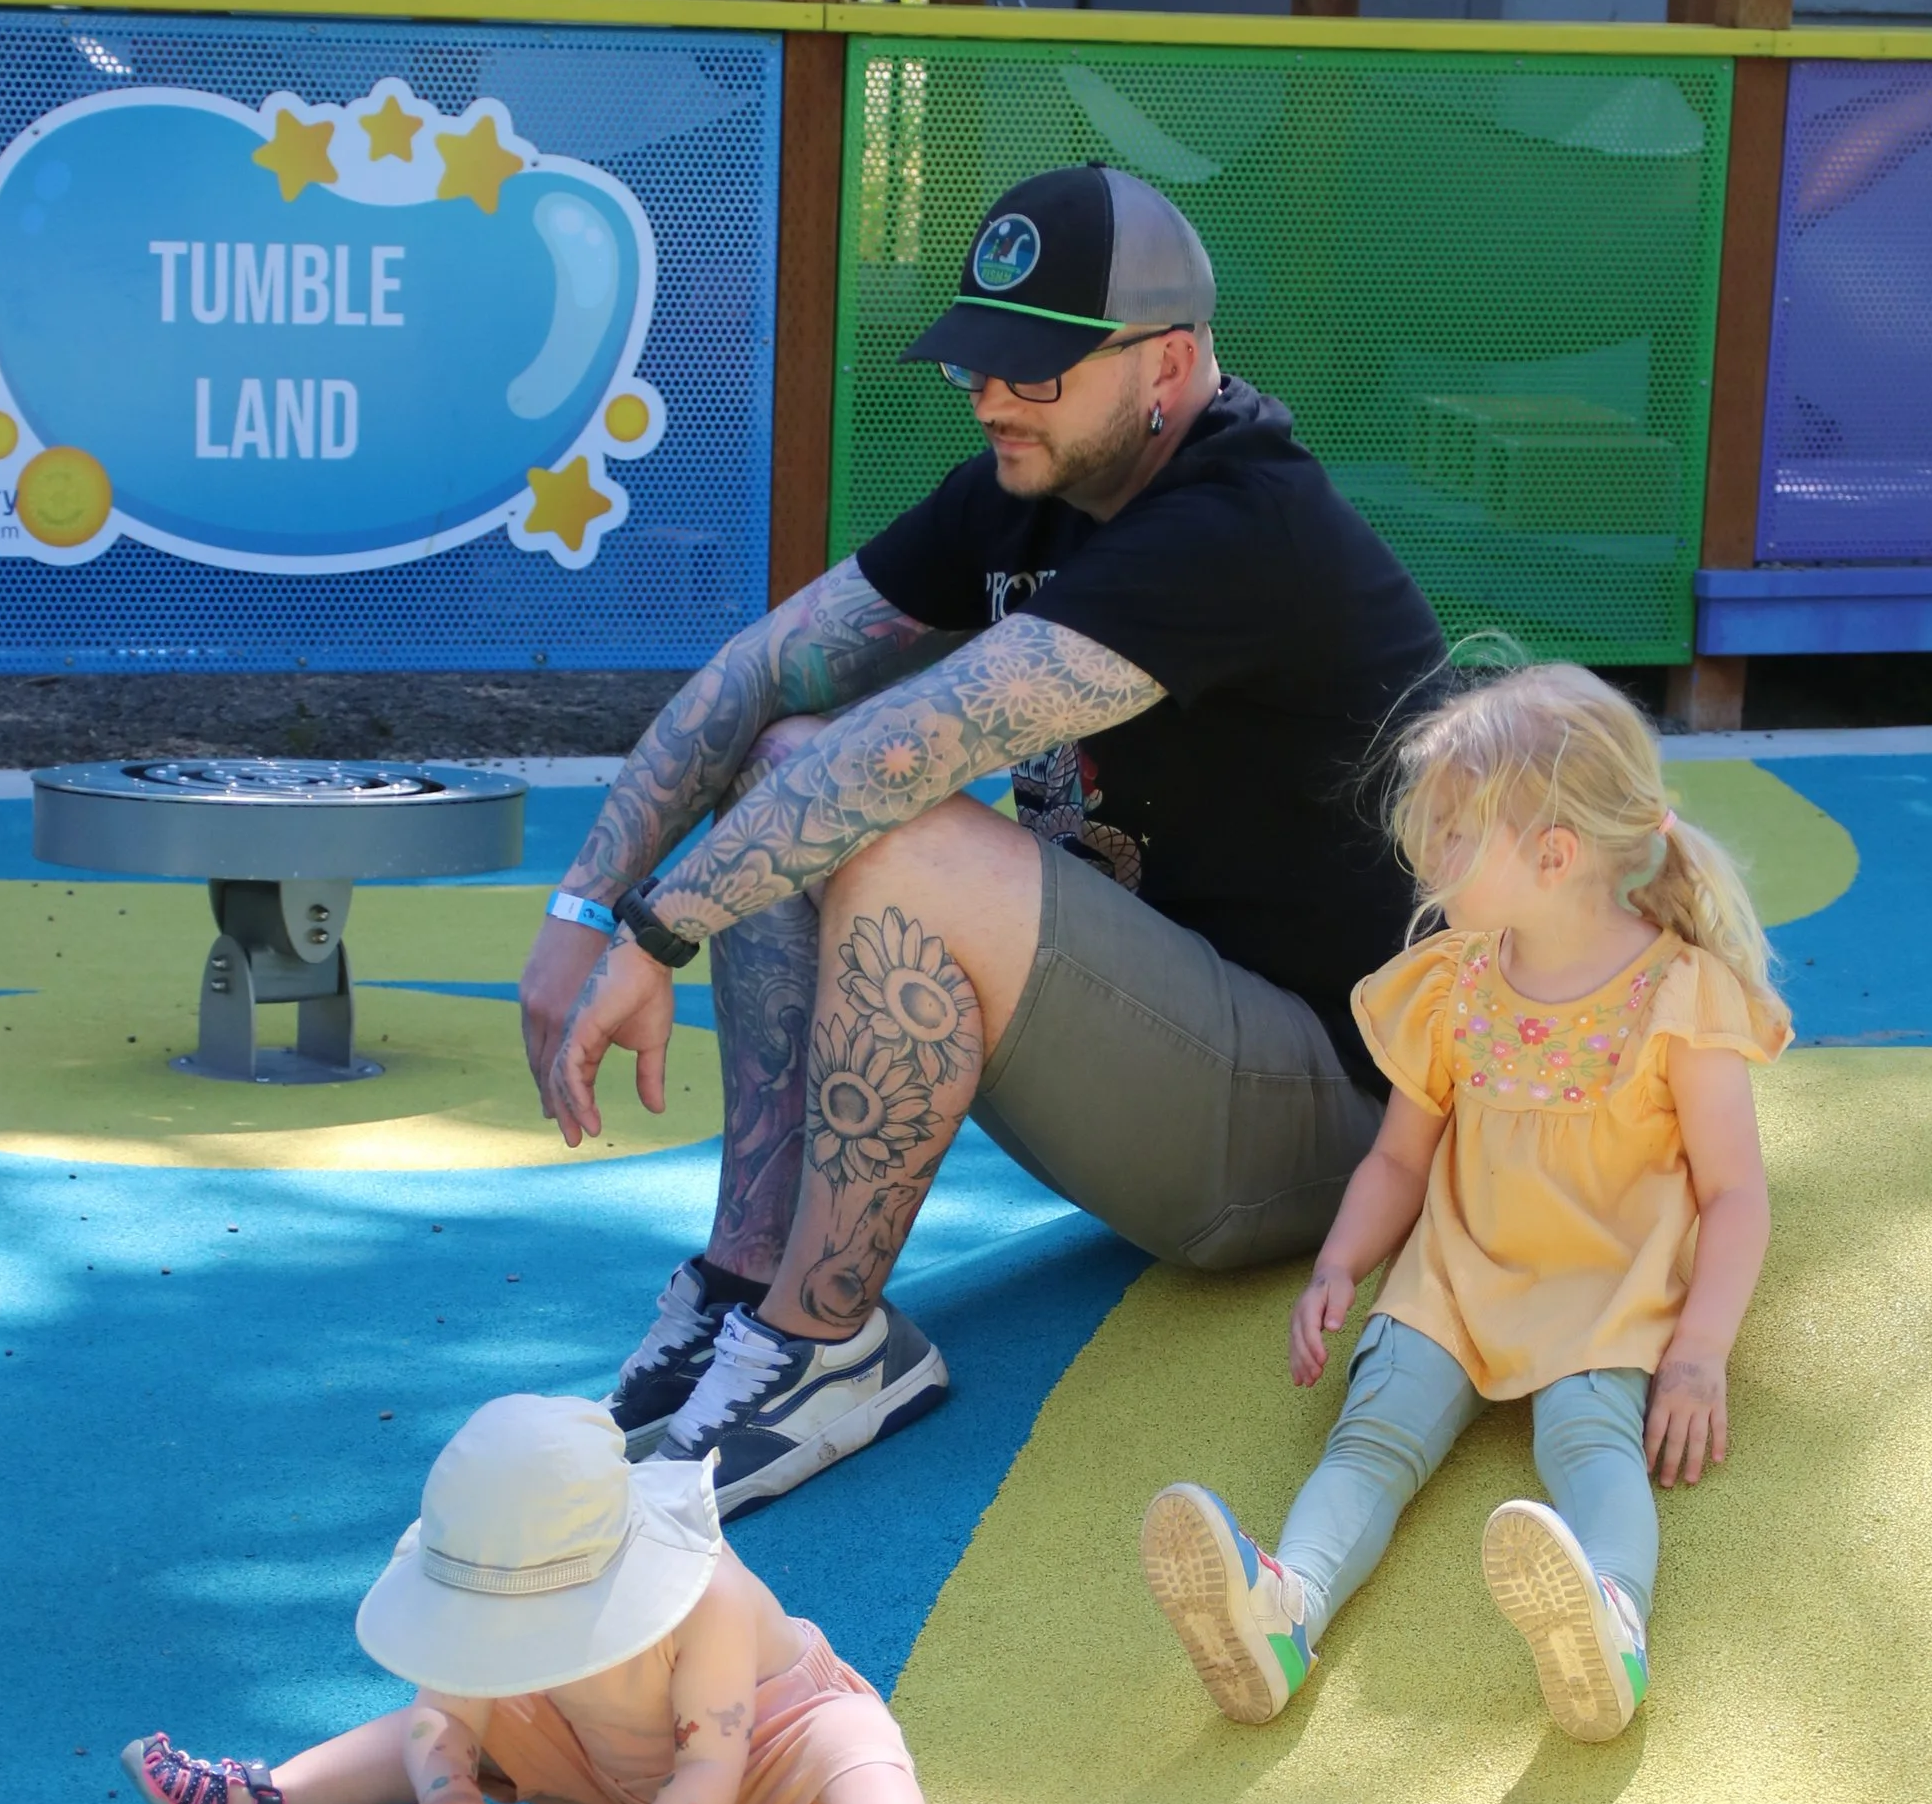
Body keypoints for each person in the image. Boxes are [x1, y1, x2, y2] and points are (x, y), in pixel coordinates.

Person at [518, 161, 1446, 1516]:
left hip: (1335, 1131)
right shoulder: (1026, 489)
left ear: (1167, 363)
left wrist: (656, 936)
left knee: (891, 830)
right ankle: (748, 1282)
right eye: (977, 363)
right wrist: (581, 907)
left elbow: (900, 752)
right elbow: (759, 678)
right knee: (782, 759)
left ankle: (830, 1347)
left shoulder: (1242, 524)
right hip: (1163, 1053)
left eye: (1036, 370)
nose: (992, 396)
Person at [1139, 667, 1788, 1747]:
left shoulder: (1677, 998)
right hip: (1455, 1271)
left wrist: (1699, 1353)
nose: (1424, 856)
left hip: (1603, 1285)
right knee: (1371, 1435)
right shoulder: (1453, 985)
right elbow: (1400, 1158)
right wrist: (1343, 1263)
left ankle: (1611, 1624)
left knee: (1590, 1442)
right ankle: (1284, 1613)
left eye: (1452, 834)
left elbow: (1733, 1194)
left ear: (1553, 857)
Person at [123, 1395, 1013, 1804]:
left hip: (755, 1778)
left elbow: (710, 1770)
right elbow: (440, 1714)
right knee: (466, 1720)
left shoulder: (704, 1594)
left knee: (851, 1734)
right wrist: (449, 1784)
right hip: (596, 1772)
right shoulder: (489, 1578)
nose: (508, 1631)